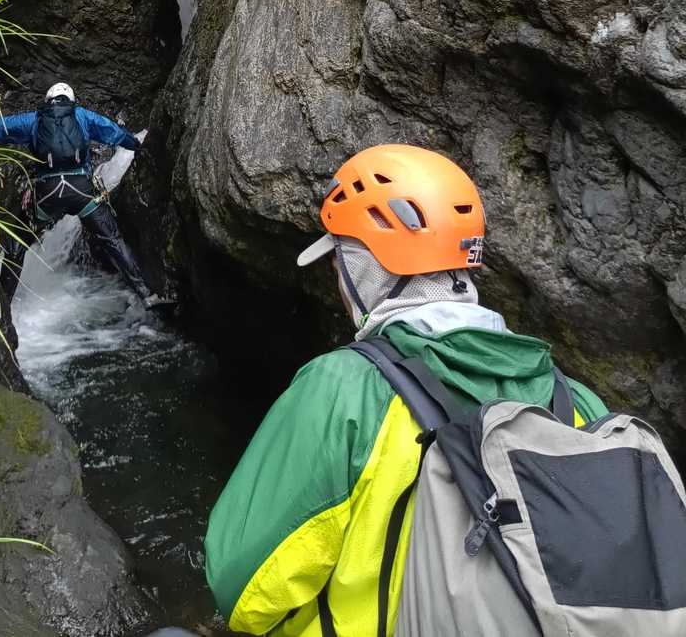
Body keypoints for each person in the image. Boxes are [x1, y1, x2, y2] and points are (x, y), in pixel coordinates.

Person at [204, 142, 608, 637]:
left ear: (364, 267)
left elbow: (242, 592)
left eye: (339, 261)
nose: (337, 279)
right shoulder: (577, 403)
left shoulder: (342, 389)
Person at [0, 81, 163, 308]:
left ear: (48, 101)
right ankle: (147, 294)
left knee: (17, 243)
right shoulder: (82, 116)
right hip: (81, 191)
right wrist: (135, 145)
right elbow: (113, 131)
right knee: (113, 239)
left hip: (47, 194)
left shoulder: (34, 120)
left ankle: (2, 306)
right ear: (71, 101)